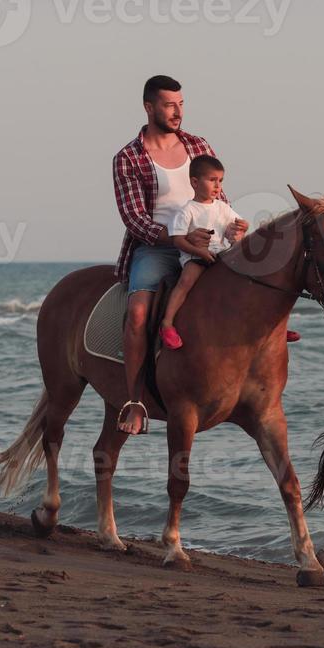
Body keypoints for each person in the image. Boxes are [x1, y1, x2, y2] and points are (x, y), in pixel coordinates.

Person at [111, 76, 245, 436]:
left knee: (251, 285)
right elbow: (134, 218)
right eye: (170, 105)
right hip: (156, 247)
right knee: (138, 313)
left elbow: (219, 197)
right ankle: (135, 401)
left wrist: (231, 230)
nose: (177, 112)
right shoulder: (128, 157)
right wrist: (179, 239)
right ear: (149, 107)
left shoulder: (198, 144)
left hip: (208, 242)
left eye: (181, 104)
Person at [159, 156, 243, 350]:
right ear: (195, 182)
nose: (217, 186)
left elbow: (238, 224)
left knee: (246, 280)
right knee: (185, 282)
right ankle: (168, 323)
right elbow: (178, 239)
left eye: (220, 181)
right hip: (195, 257)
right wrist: (199, 252)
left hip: (220, 255)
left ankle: (262, 322)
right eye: (212, 180)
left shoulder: (222, 207)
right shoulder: (187, 210)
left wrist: (243, 226)